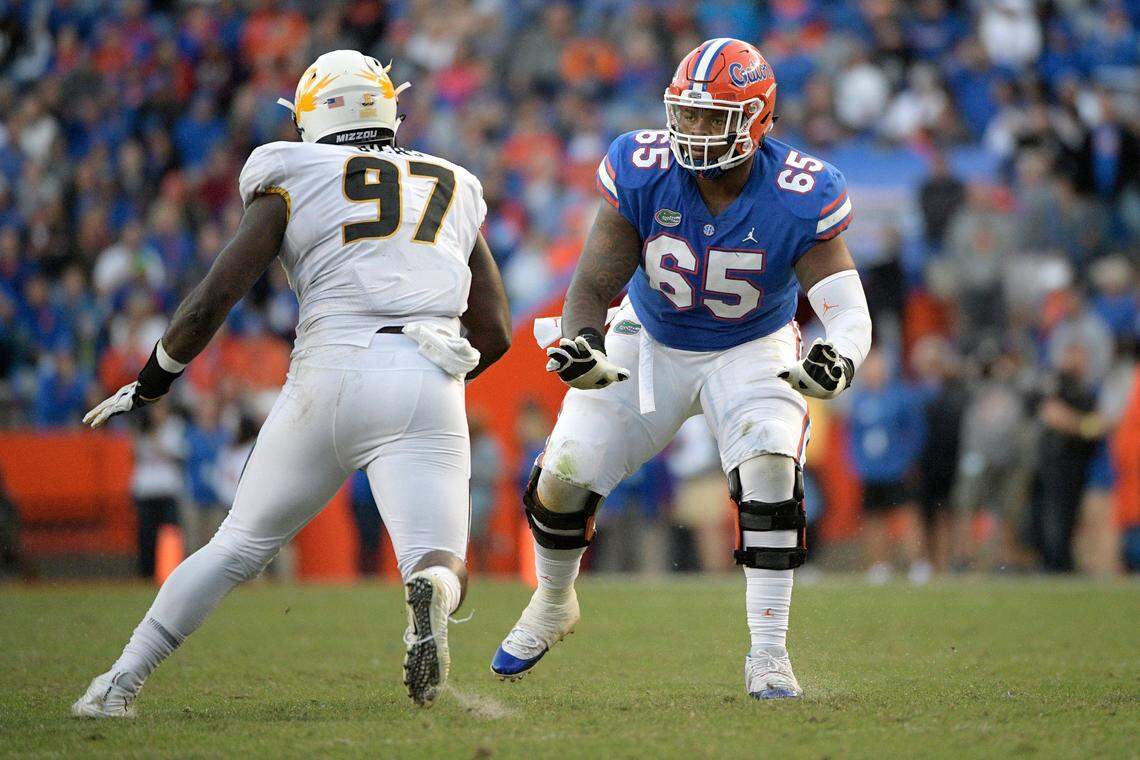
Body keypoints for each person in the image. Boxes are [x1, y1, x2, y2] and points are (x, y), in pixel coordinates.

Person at [71, 50, 511, 717]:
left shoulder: (291, 170)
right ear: (389, 107)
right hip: (429, 371)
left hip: (330, 369)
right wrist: (429, 380)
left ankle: (117, 685)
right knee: (442, 561)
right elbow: (496, 330)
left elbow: (214, 297)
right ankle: (430, 595)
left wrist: (153, 380)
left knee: (236, 547)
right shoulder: (450, 181)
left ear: (310, 116)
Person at [490, 39, 871, 700]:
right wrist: (583, 344)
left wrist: (839, 356)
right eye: (685, 113)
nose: (692, 129)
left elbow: (849, 311)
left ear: (756, 120)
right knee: (565, 472)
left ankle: (769, 652)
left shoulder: (798, 192)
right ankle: (552, 602)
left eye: (710, 117)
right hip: (650, 337)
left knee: (771, 465)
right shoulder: (642, 169)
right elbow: (591, 284)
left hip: (752, 345)